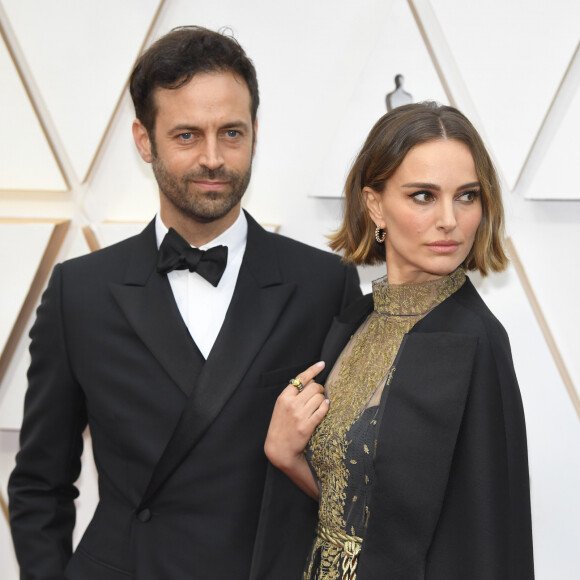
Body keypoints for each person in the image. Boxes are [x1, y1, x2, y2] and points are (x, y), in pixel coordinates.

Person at [8, 26, 361, 580]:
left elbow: (352, 472)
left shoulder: (323, 283)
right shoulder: (79, 291)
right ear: (144, 141)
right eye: (187, 136)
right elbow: (40, 483)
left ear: (255, 134)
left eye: (232, 133)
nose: (214, 158)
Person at [261, 102, 534, 579]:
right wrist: (286, 456)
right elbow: (359, 513)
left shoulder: (474, 344)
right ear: (374, 205)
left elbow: (487, 540)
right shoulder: (353, 322)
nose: (450, 219)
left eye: (467, 196)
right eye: (424, 196)